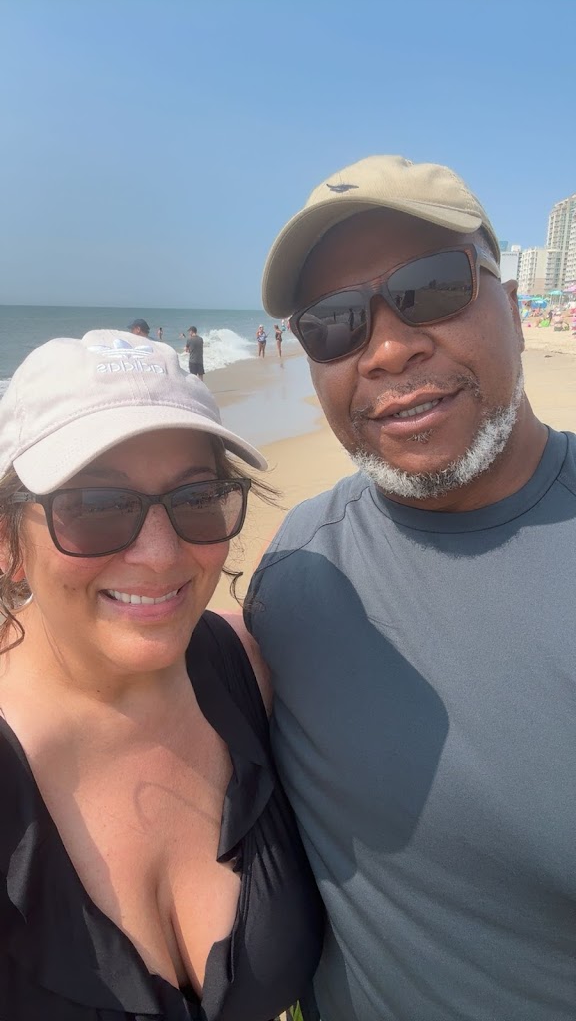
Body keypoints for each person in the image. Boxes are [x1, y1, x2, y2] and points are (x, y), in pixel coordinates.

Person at [243, 156, 576, 1020]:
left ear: (513, 306)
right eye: (333, 324)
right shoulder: (294, 571)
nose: (390, 349)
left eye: (431, 289)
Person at [0, 330, 323, 1020]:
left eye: (197, 497)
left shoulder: (248, 667)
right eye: (95, 506)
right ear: (8, 543)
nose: (160, 554)